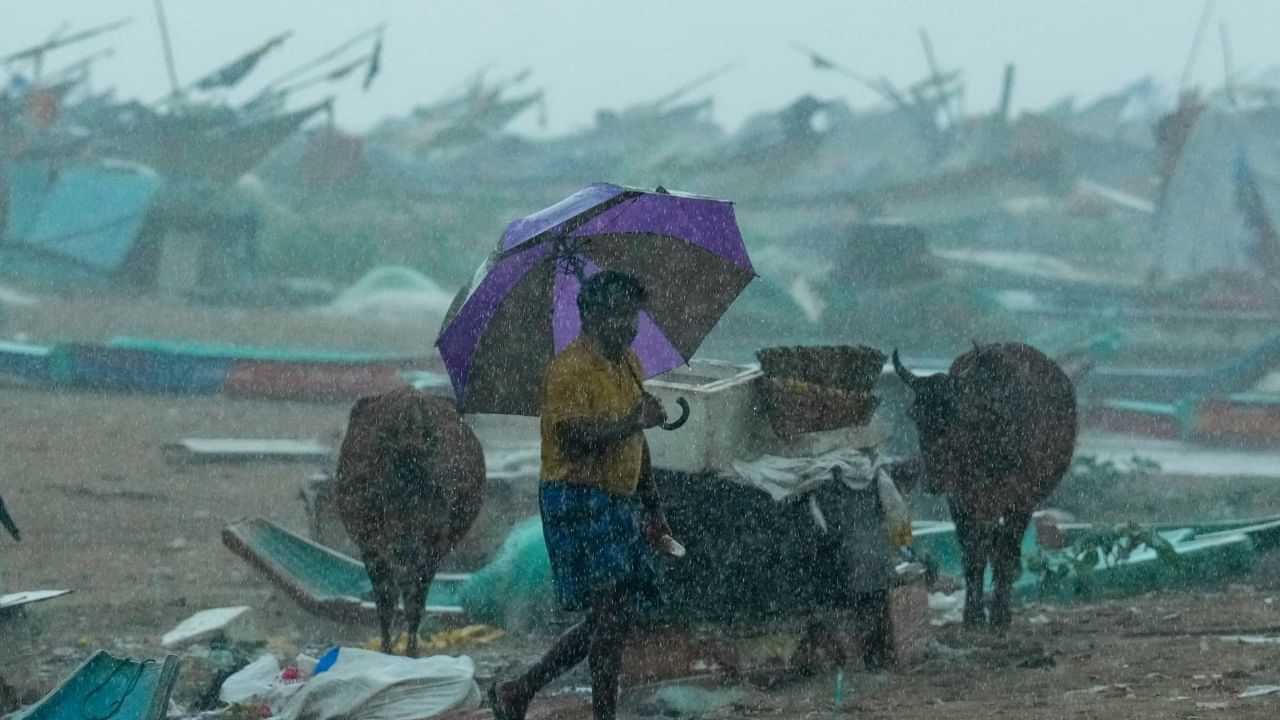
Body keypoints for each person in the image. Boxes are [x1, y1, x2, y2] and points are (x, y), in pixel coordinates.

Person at [489, 270, 678, 720]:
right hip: (575, 496)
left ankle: (520, 690)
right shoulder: (567, 371)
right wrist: (633, 421)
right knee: (611, 611)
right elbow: (573, 439)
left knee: (610, 617)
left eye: (632, 316)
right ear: (590, 316)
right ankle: (601, 715)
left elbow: (638, 444)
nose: (627, 326)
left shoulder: (629, 363)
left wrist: (653, 506)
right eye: (616, 315)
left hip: (618, 497)